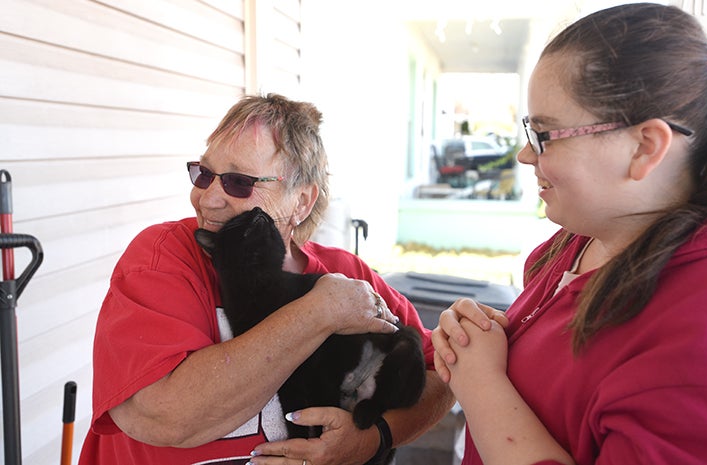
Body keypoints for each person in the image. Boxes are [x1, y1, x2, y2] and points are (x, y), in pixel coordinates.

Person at [79, 93, 454, 465]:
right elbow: (159, 416)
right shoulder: (163, 259)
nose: (207, 199)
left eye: (239, 182)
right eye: (204, 173)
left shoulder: (345, 275)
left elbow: (443, 370)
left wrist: (373, 439)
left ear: (301, 202)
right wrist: (318, 312)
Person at [432, 4, 707, 465]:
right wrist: (475, 345)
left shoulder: (699, 339)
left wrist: (482, 385)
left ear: (644, 147)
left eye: (544, 133)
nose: (526, 154)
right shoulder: (579, 243)